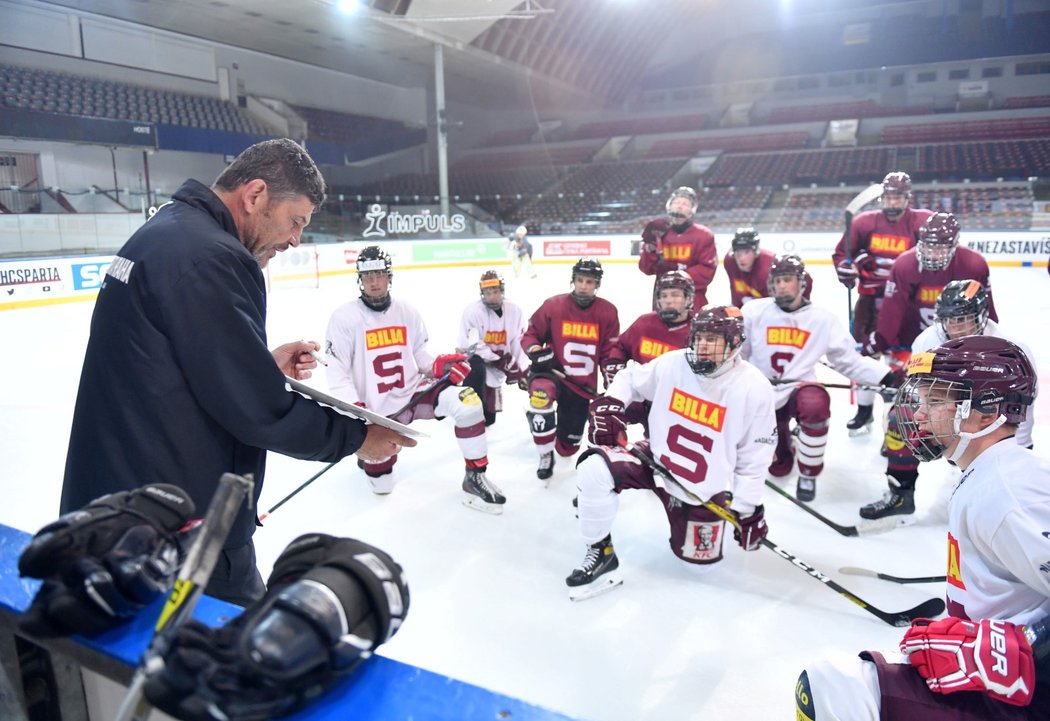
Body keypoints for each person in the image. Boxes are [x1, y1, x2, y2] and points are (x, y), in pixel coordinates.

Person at [60, 139, 415, 607]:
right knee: (237, 661)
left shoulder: (168, 232)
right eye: (295, 221)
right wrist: (357, 436)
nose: (294, 240)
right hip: (177, 531)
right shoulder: (213, 257)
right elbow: (258, 410)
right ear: (255, 196)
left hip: (124, 509)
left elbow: (171, 368)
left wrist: (256, 363)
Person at [796, 335, 1050, 721]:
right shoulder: (988, 474)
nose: (918, 415)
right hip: (1004, 682)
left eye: (936, 401)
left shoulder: (1007, 490)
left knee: (831, 686)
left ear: (986, 411)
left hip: (1022, 697)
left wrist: (1023, 647)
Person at [565, 306, 776, 600]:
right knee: (594, 469)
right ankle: (601, 550)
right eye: (699, 337)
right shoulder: (674, 363)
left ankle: (719, 505)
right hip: (655, 462)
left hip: (699, 490)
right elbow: (630, 377)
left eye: (712, 339)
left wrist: (747, 507)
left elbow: (756, 457)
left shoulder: (753, 388)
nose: (702, 345)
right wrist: (612, 401)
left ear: (734, 344)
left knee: (698, 567)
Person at [325, 245, 506, 513]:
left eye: (379, 274)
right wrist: (355, 409)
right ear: (359, 279)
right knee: (382, 485)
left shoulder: (407, 311)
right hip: (375, 411)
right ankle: (367, 460)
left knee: (467, 401)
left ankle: (475, 476)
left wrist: (439, 366)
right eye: (367, 276)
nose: (374, 282)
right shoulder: (344, 318)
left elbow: (420, 356)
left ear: (389, 276)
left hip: (412, 393)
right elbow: (336, 371)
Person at [857, 212, 999, 520]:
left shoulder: (974, 267)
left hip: (971, 354)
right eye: (929, 246)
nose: (934, 253)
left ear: (954, 244)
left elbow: (989, 315)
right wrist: (881, 340)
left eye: (941, 247)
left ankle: (984, 482)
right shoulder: (906, 267)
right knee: (901, 416)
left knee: (985, 417)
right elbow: (893, 312)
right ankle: (901, 491)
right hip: (920, 347)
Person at [857, 278, 1036, 522]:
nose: (954, 326)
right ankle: (900, 493)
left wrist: (1020, 451)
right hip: (945, 413)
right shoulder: (927, 341)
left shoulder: (1010, 348)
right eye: (949, 319)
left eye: (962, 318)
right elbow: (917, 393)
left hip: (982, 422)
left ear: (981, 315)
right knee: (899, 420)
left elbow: (1020, 406)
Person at [741, 255, 893, 501]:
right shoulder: (753, 312)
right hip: (762, 393)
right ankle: (786, 443)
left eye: (787, 280)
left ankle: (809, 473)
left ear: (801, 283)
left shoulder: (822, 318)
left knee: (815, 405)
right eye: (777, 280)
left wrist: (885, 375)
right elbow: (739, 358)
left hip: (800, 387)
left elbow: (848, 360)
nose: (781, 286)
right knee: (778, 468)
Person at [831, 172, 933, 434]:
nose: (892, 201)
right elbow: (843, 253)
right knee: (864, 355)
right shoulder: (864, 222)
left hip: (905, 304)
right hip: (869, 300)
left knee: (902, 357)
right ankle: (865, 411)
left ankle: (897, 414)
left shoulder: (922, 221)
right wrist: (846, 268)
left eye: (897, 196)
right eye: (888, 196)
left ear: (907, 198)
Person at [521, 258, 620, 482]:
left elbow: (609, 352)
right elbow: (531, 333)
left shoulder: (608, 312)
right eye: (580, 280)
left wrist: (612, 381)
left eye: (589, 281)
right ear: (573, 280)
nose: (584, 285)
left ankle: (543, 424)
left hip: (582, 386)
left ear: (597, 284)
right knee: (541, 395)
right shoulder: (553, 305)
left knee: (568, 448)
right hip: (550, 371)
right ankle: (544, 453)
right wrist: (535, 348)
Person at [601, 269, 695, 429]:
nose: (669, 301)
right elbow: (620, 346)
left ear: (688, 298)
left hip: (677, 408)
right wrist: (615, 370)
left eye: (675, 295)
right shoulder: (644, 323)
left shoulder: (697, 332)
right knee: (602, 417)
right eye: (664, 296)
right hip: (641, 400)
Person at [458, 269, 530, 426]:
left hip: (499, 365)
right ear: (482, 292)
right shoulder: (473, 312)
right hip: (477, 364)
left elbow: (518, 340)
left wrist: (522, 369)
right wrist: (497, 360)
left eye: (495, 291)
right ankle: (467, 407)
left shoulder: (514, 310)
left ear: (502, 291)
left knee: (489, 420)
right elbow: (471, 346)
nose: (492, 296)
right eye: (487, 292)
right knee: (474, 365)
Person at [638, 186, 718, 309]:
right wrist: (649, 247)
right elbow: (646, 269)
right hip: (664, 299)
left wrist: (677, 277)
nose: (680, 206)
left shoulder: (704, 235)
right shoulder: (659, 232)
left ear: (692, 209)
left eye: (685, 204)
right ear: (669, 206)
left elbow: (707, 271)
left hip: (693, 301)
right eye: (676, 202)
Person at [722, 227, 812, 308]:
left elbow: (805, 278)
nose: (741, 258)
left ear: (756, 252)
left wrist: (801, 308)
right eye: (738, 253)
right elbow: (735, 292)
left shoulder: (768, 268)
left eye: (746, 252)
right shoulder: (730, 261)